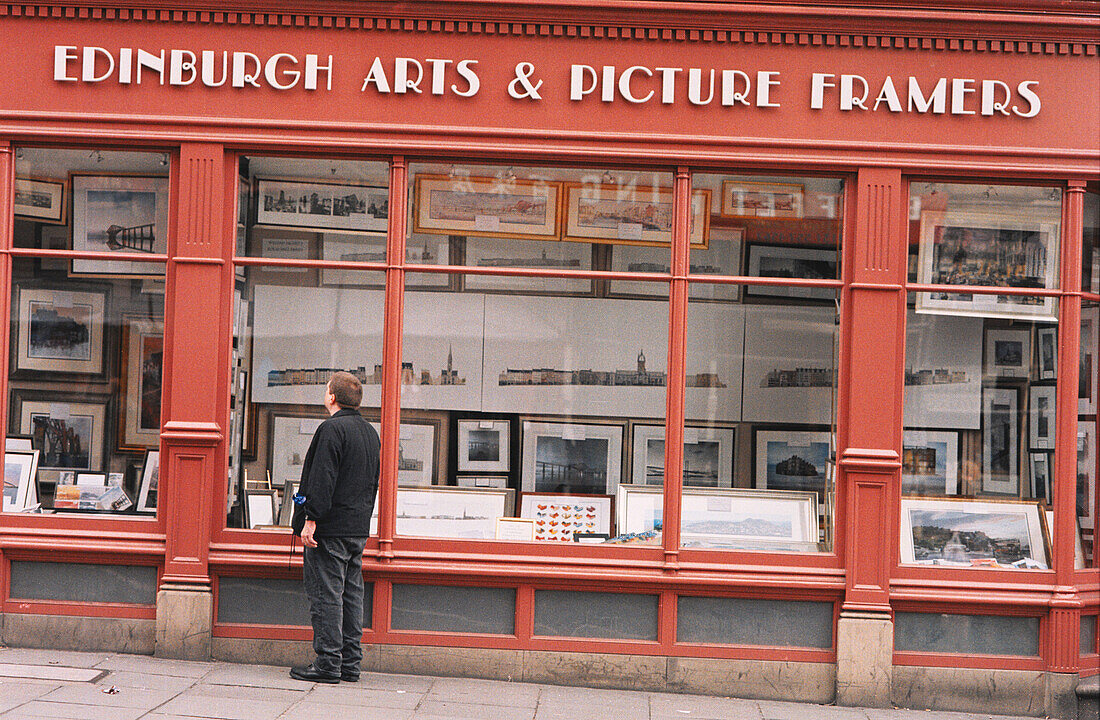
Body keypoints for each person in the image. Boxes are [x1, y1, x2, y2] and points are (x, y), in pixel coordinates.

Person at [289, 371, 380, 684]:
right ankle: (350, 664)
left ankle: (328, 664)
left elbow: (321, 478)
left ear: (331, 397)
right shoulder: (370, 433)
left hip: (330, 529)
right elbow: (371, 483)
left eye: (326, 390)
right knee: (351, 596)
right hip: (357, 528)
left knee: (327, 595)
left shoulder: (331, 429)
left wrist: (310, 518)